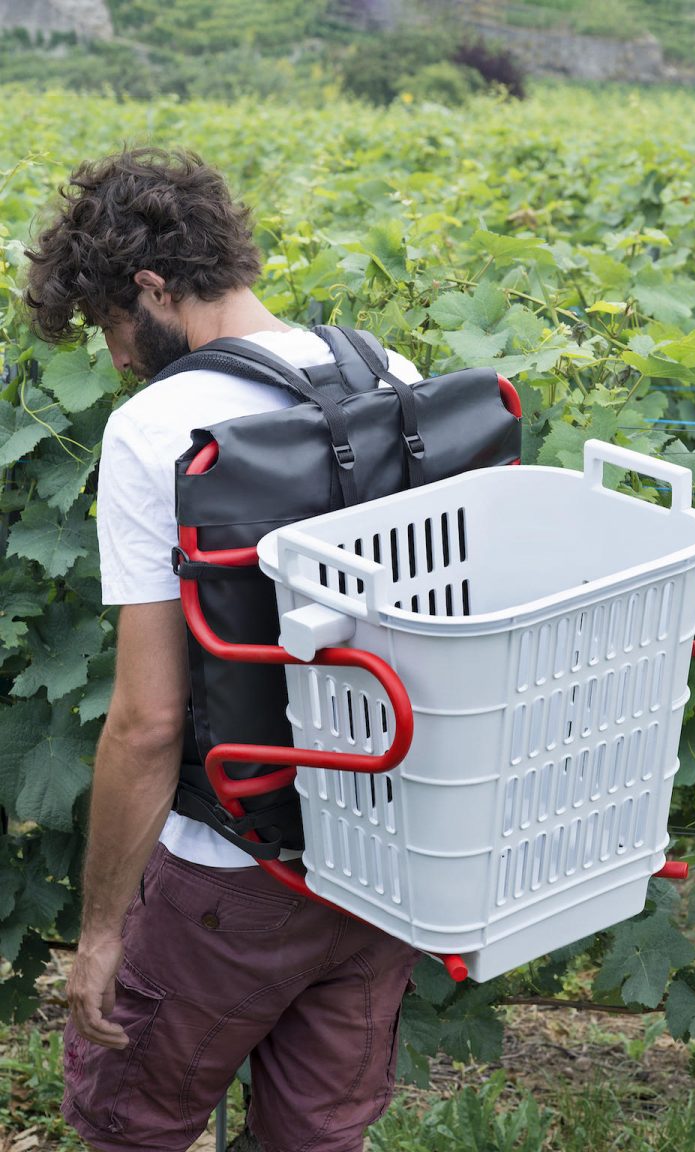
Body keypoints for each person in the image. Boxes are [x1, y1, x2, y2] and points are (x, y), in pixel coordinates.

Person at [24, 147, 422, 1152]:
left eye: (111, 323)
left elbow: (150, 721)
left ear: (152, 287)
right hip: (385, 853)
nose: (117, 356)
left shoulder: (157, 429)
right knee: (318, 1138)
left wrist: (102, 932)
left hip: (233, 868)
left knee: (132, 1124)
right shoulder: (388, 373)